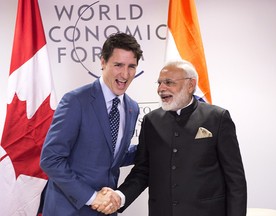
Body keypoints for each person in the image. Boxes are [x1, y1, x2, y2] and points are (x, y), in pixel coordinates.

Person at [97, 59, 247, 216]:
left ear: (190, 85)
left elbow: (235, 179)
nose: (161, 89)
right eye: (159, 83)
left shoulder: (217, 118)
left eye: (169, 82)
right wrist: (120, 196)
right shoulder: (151, 121)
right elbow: (143, 170)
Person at [39, 32, 143, 216]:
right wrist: (92, 197)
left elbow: (113, 155)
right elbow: (51, 159)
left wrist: (155, 147)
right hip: (67, 210)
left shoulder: (132, 108)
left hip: (105, 211)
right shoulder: (76, 101)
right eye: (118, 65)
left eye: (131, 66)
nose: (125, 74)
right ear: (103, 62)